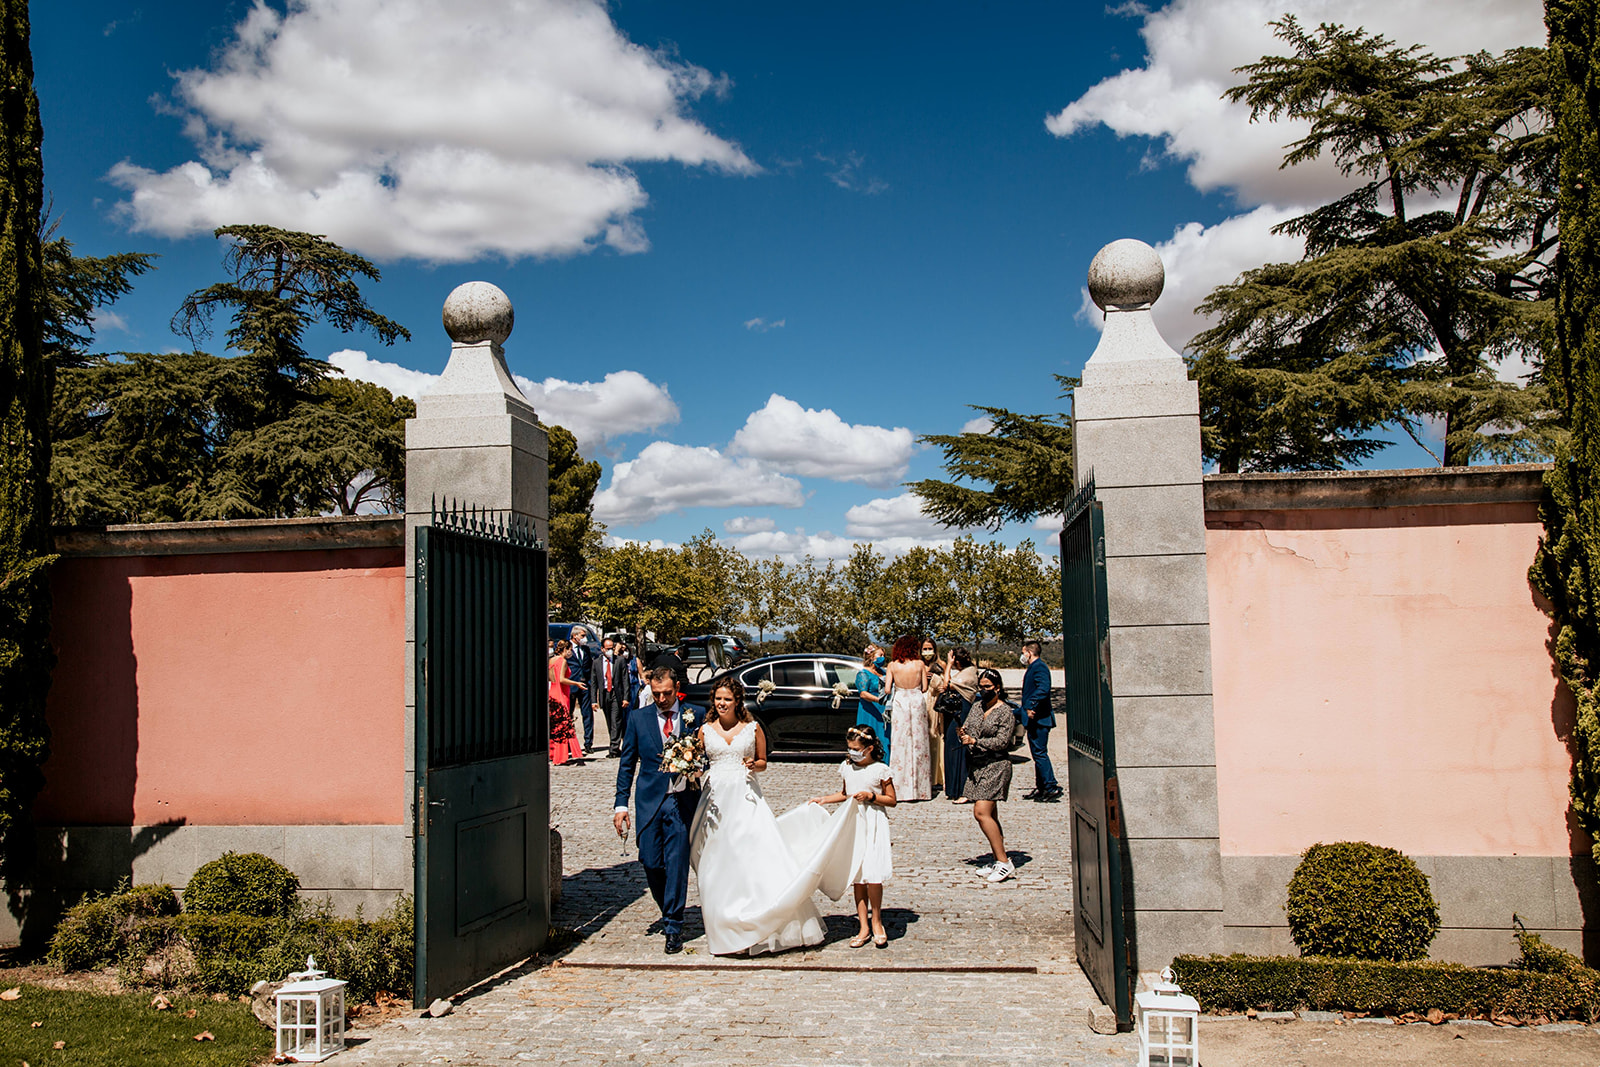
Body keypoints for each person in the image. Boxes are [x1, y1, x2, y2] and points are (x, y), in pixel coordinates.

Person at [690, 678, 831, 955]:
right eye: (718, 699)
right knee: (718, 861)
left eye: (727, 699)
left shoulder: (753, 728)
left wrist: (756, 764)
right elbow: (697, 762)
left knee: (752, 856)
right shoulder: (705, 731)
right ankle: (725, 926)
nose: (721, 704)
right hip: (715, 797)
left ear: (737, 701)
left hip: (745, 797)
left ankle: (763, 923)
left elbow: (764, 761)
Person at [613, 667, 704, 954]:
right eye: (656, 694)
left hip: (682, 800)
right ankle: (668, 906)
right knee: (651, 862)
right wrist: (620, 804)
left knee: (676, 864)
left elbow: (710, 753)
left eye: (667, 693)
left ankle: (673, 925)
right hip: (650, 800)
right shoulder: (639, 718)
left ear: (677, 687)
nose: (662, 699)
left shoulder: (696, 714)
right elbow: (627, 764)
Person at [808, 724, 896, 948]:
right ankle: (863, 925)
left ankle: (877, 921)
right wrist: (824, 799)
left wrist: (871, 796)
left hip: (873, 819)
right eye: (850, 748)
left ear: (869, 748)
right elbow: (845, 793)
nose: (852, 752)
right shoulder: (847, 767)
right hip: (853, 821)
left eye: (857, 748)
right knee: (858, 874)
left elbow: (892, 800)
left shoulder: (880, 770)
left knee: (872, 872)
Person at [959, 669, 1018, 883]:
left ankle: (1004, 862)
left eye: (987, 687)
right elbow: (968, 727)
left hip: (996, 765)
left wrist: (977, 742)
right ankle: (998, 857)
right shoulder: (976, 707)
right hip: (977, 765)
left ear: (997, 688)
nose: (983, 691)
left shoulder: (1005, 712)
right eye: (980, 687)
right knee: (991, 815)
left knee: (981, 812)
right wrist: (964, 735)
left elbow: (1003, 741)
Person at [885, 635, 932, 801]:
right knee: (919, 743)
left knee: (900, 742)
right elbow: (925, 687)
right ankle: (920, 790)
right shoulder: (919, 665)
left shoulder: (892, 665)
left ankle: (900, 789)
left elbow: (887, 689)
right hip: (916, 699)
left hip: (901, 700)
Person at [1018, 639, 1061, 802]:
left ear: (1029, 652)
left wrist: (1030, 706)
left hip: (1040, 719)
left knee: (1040, 753)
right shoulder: (1034, 667)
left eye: (1023, 653)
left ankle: (1050, 786)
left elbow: (1044, 689)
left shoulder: (1039, 667)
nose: (1022, 656)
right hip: (1035, 719)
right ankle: (1042, 786)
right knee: (1037, 753)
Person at [940, 648, 978, 804]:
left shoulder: (968, 674)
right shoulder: (967, 671)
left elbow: (947, 684)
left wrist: (948, 666)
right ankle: (953, 788)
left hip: (962, 712)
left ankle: (963, 788)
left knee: (959, 747)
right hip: (955, 712)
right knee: (951, 745)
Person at [548, 639, 585, 765]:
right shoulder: (562, 661)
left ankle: (553, 752)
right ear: (566, 649)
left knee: (555, 724)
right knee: (563, 723)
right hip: (561, 693)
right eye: (569, 650)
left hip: (552, 691)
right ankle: (560, 755)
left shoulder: (551, 660)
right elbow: (562, 679)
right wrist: (576, 683)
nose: (570, 653)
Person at [854, 645, 889, 762]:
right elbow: (863, 693)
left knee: (885, 739)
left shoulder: (884, 672)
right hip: (871, 710)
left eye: (884, 656)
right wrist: (878, 699)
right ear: (872, 657)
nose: (882, 658)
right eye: (880, 655)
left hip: (884, 709)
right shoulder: (863, 673)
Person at [920, 637, 944, 792]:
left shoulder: (941, 665)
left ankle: (936, 777)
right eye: (925, 648)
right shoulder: (918, 664)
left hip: (934, 702)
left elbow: (945, 684)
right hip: (921, 701)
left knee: (934, 738)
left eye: (930, 648)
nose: (927, 652)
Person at [595, 637, 623, 758]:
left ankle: (614, 748)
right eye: (608, 649)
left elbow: (625, 680)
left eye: (612, 648)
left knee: (615, 720)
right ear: (602, 649)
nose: (610, 651)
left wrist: (626, 697)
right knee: (609, 720)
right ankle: (614, 744)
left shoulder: (619, 661)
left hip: (616, 694)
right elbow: (594, 682)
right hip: (604, 693)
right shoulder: (596, 662)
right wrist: (593, 700)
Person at [569, 625, 595, 751]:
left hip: (585, 685)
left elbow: (589, 666)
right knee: (569, 714)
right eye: (582, 636)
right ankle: (568, 743)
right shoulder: (567, 649)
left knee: (587, 714)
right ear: (575, 636)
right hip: (571, 685)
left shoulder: (585, 649)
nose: (585, 639)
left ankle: (588, 743)